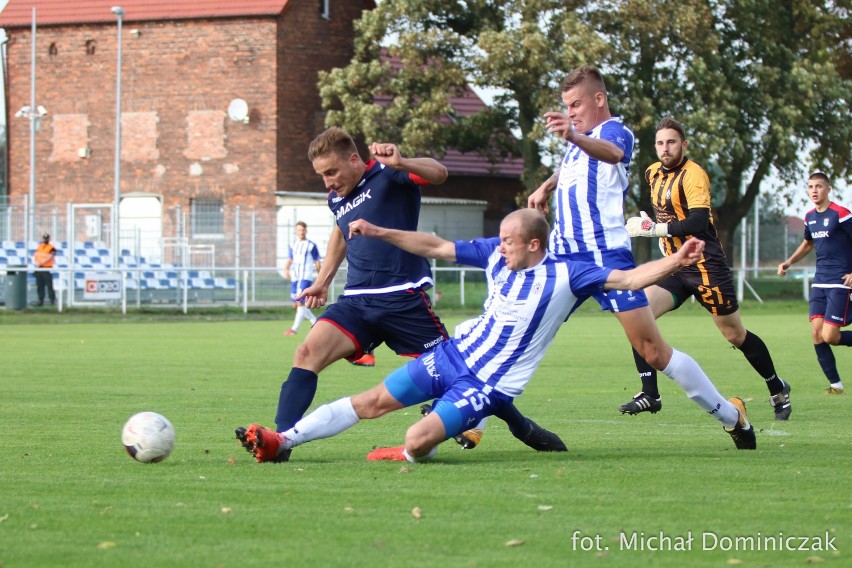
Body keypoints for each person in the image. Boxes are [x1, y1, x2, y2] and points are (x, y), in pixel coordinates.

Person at [237, 209, 754, 464]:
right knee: (371, 401)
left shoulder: (569, 274)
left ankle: (414, 449)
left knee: (415, 443)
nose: (499, 246)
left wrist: (676, 259)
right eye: (499, 239)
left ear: (532, 243)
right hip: (453, 356)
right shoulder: (494, 252)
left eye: (508, 240)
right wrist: (378, 232)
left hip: (489, 386)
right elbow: (437, 246)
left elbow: (629, 278)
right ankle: (284, 440)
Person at [237, 127, 561, 462]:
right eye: (321, 175)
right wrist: (323, 280)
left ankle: (520, 426)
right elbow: (340, 233)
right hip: (358, 300)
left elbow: (439, 173)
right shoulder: (336, 198)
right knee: (307, 352)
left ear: (354, 159)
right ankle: (280, 440)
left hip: (405, 299)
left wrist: (402, 160)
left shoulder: (390, 174)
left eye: (332, 172)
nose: (328, 182)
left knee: (465, 372)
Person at [526, 65, 755, 447]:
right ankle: (474, 419)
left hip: (605, 258)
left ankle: (732, 416)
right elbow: (573, 164)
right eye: (566, 107)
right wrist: (546, 186)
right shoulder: (577, 141)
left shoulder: (615, 132)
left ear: (599, 99)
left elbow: (612, 153)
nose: (571, 113)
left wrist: (573, 135)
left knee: (652, 350)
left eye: (576, 104)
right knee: (523, 329)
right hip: (563, 257)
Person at [622, 116, 791, 420]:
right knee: (638, 315)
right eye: (660, 143)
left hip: (704, 264)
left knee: (735, 335)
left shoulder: (693, 175)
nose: (665, 148)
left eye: (671, 142)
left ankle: (778, 388)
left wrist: (655, 231)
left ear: (683, 145)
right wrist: (654, 228)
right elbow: (666, 217)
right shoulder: (651, 173)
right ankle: (650, 394)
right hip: (675, 265)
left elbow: (699, 222)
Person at [778, 172, 852, 395]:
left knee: (831, 336)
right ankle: (836, 385)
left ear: (828, 189)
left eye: (819, 186)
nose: (814, 190)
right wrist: (789, 261)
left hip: (840, 281)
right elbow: (808, 244)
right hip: (820, 282)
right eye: (810, 187)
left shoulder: (841, 214)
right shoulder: (810, 217)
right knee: (816, 334)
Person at [282, 221, 321, 336]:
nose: (301, 232)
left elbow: (317, 261)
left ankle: (294, 330)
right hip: (295, 277)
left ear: (306, 231)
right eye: (299, 230)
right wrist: (286, 269)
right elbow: (290, 259)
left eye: (303, 230)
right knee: (297, 304)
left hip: (306, 277)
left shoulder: (311, 245)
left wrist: (320, 276)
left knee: (300, 302)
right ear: (295, 231)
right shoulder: (293, 245)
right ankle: (316, 323)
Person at [33, 233, 56, 306]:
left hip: (47, 268)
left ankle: (52, 300)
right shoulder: (39, 247)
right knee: (40, 285)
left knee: (49, 285)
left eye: (47, 238)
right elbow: (36, 255)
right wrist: (37, 263)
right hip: (39, 268)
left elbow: (50, 257)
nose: (45, 240)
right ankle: (40, 300)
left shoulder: (52, 247)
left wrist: (41, 263)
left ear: (49, 239)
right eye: (44, 238)